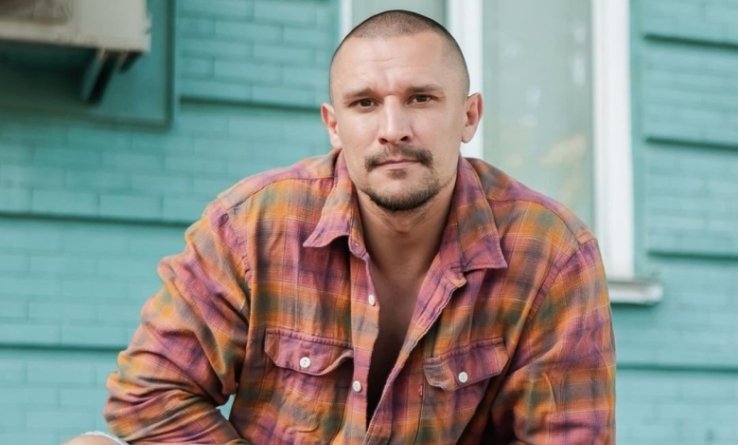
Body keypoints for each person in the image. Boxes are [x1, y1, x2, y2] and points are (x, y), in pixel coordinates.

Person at [64, 9, 615, 445]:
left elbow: (570, 437)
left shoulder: (551, 253)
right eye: (365, 103)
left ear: (468, 116)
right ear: (334, 124)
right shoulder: (253, 226)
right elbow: (150, 393)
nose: (393, 129)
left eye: (421, 99)